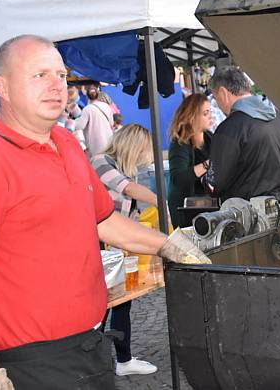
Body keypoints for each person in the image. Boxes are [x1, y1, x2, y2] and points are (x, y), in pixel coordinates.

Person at [0, 35, 209, 390]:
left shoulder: (66, 145)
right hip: (31, 362)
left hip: (89, 346)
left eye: (61, 76)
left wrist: (169, 244)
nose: (56, 86)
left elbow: (104, 222)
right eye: (39, 75)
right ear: (1, 86)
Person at [91, 124, 159, 376]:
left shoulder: (124, 168)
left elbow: (128, 208)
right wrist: (158, 199)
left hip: (118, 247)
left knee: (124, 300)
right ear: (132, 146)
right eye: (143, 151)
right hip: (98, 245)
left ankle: (124, 358)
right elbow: (127, 189)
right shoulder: (100, 161)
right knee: (100, 304)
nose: (144, 157)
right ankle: (94, 362)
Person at [207, 66, 280, 205]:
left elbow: (216, 183)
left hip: (249, 216)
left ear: (223, 92)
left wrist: (206, 181)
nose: (217, 105)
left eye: (216, 98)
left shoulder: (229, 129)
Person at [167, 94, 213, 227]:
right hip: (186, 210)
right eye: (205, 113)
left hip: (208, 205)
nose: (210, 116)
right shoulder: (180, 143)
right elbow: (179, 178)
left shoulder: (210, 137)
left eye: (210, 112)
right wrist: (208, 164)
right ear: (192, 116)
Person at [74, 82, 115, 157]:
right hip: (108, 142)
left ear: (87, 96)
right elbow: (111, 123)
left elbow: (79, 126)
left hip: (95, 145)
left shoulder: (87, 109)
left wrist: (73, 120)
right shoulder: (106, 106)